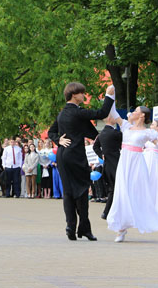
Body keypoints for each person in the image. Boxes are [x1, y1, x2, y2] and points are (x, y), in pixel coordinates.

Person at [47, 82, 115, 241]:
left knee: (68, 192)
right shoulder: (78, 112)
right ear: (74, 94)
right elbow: (102, 112)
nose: (84, 95)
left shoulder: (62, 113)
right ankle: (83, 228)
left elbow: (51, 131)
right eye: (82, 93)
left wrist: (58, 141)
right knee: (83, 190)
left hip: (63, 156)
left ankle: (71, 226)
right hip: (75, 156)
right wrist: (109, 95)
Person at [104, 105, 158, 242]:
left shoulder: (148, 132)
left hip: (137, 164)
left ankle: (140, 218)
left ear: (142, 115)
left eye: (137, 110)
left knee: (136, 192)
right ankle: (121, 228)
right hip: (124, 163)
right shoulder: (125, 125)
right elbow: (112, 111)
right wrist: (110, 96)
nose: (133, 112)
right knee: (121, 192)